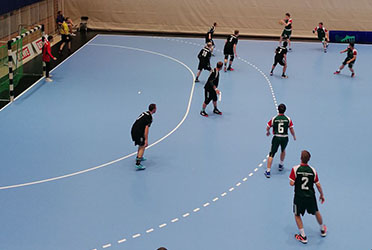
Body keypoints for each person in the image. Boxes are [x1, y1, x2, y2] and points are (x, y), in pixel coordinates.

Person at [289, 150, 327, 244]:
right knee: (316, 212)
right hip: (310, 196)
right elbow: (318, 185)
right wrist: (321, 194)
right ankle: (322, 229)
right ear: (308, 159)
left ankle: (303, 236)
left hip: (299, 197)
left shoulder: (295, 169)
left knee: (297, 215)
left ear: (301, 158)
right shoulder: (313, 170)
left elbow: (291, 183)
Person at [264, 103, 296, 178]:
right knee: (283, 150)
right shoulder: (288, 119)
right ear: (285, 110)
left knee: (272, 153)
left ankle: (268, 171)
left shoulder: (274, 118)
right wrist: (294, 135)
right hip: (285, 137)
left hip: (276, 137)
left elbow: (268, 126)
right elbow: (291, 129)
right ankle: (281, 165)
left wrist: (268, 132)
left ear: (278, 110)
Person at [131, 104, 157, 170]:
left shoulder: (145, 113)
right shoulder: (149, 118)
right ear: (154, 109)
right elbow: (146, 129)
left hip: (134, 129)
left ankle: (139, 157)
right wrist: (146, 140)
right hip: (137, 132)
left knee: (140, 143)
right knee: (143, 145)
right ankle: (138, 163)